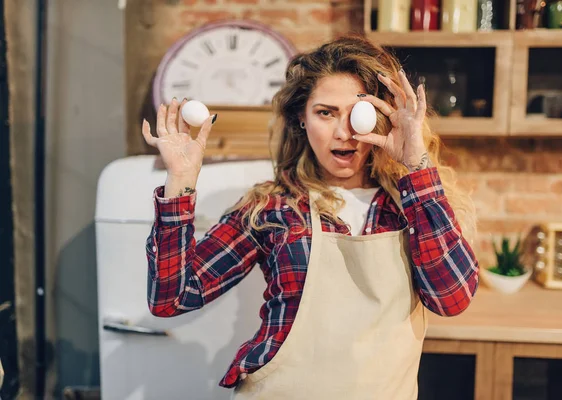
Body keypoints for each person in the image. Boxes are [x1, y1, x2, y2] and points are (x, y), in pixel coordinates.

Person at [142, 33, 479, 399]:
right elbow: (172, 298)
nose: (344, 132)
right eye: (325, 113)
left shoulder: (408, 206)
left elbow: (452, 298)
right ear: (302, 119)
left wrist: (416, 165)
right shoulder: (270, 208)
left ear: (381, 119)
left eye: (358, 114)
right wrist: (180, 181)